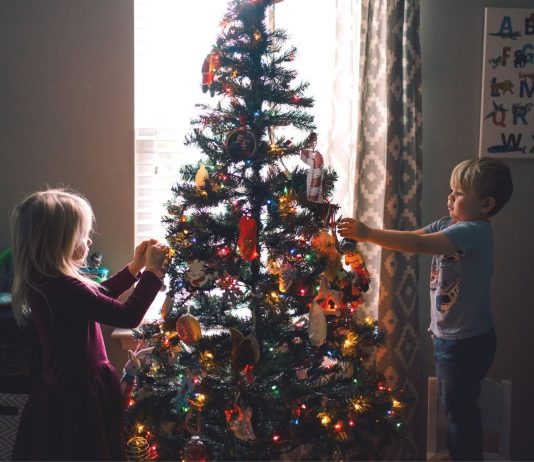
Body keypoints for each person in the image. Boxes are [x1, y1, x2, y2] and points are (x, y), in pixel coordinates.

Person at [338, 157, 513, 461]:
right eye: (451, 190)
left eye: (458, 193)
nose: (450, 197)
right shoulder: (450, 224)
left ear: (485, 205)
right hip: (453, 338)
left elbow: (418, 247)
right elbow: (416, 237)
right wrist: (370, 234)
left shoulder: (473, 232)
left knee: (459, 413)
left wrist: (367, 234)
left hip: (465, 342)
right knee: (458, 407)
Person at [10, 188, 169, 461]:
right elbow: (127, 316)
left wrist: (134, 268)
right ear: (59, 243)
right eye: (82, 236)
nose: (88, 241)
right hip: (79, 395)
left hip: (65, 388)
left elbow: (97, 297)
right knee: (86, 449)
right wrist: (152, 273)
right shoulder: (66, 287)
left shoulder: (48, 281)